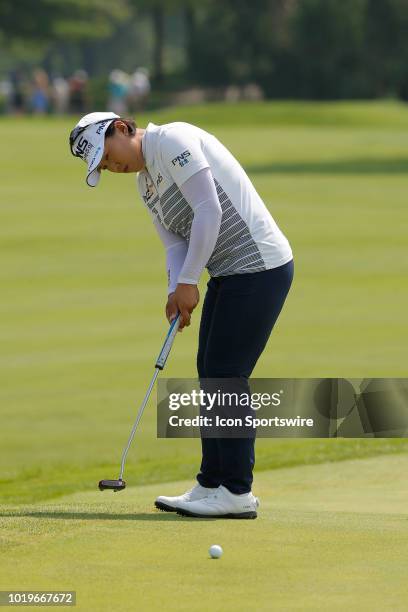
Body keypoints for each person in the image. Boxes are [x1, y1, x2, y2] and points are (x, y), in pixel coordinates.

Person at [69, 112, 294, 519]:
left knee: (226, 372)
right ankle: (211, 483)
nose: (110, 166)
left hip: (260, 266)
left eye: (106, 155)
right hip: (228, 271)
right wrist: (176, 287)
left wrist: (190, 280)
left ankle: (237, 491)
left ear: (121, 127)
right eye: (101, 166)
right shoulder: (145, 183)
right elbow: (174, 244)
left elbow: (210, 211)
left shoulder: (173, 140)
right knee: (210, 368)